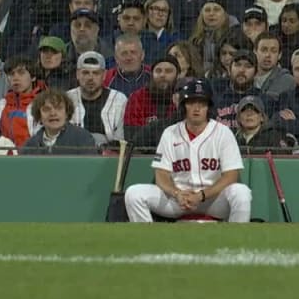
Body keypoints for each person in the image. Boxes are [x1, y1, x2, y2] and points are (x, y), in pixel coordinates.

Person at [124, 79, 253, 223]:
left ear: (208, 107)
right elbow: (161, 174)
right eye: (191, 102)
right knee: (134, 193)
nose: (196, 108)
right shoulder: (170, 133)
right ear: (184, 106)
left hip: (212, 200)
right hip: (178, 200)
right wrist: (177, 193)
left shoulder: (223, 133)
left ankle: (236, 243)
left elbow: (231, 176)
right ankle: (149, 242)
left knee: (242, 193)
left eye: (202, 103)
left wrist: (201, 195)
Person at [20, 89, 99, 154]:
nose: (53, 113)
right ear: (39, 116)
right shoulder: (30, 145)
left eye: (58, 108)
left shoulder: (83, 138)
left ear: (67, 113)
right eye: (46, 109)